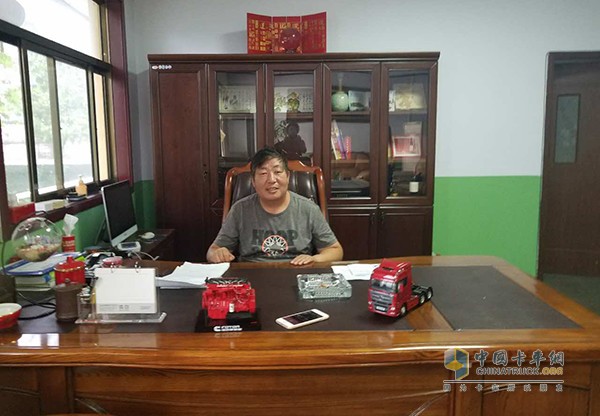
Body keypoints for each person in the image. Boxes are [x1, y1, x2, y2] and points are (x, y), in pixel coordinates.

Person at [207, 147, 343, 265]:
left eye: (277, 172)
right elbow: (212, 251)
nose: (271, 180)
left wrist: (314, 259)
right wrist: (218, 254)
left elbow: (335, 250)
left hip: (296, 272)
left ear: (288, 176)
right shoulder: (240, 210)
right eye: (263, 173)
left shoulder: (309, 209)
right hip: (251, 275)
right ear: (253, 181)